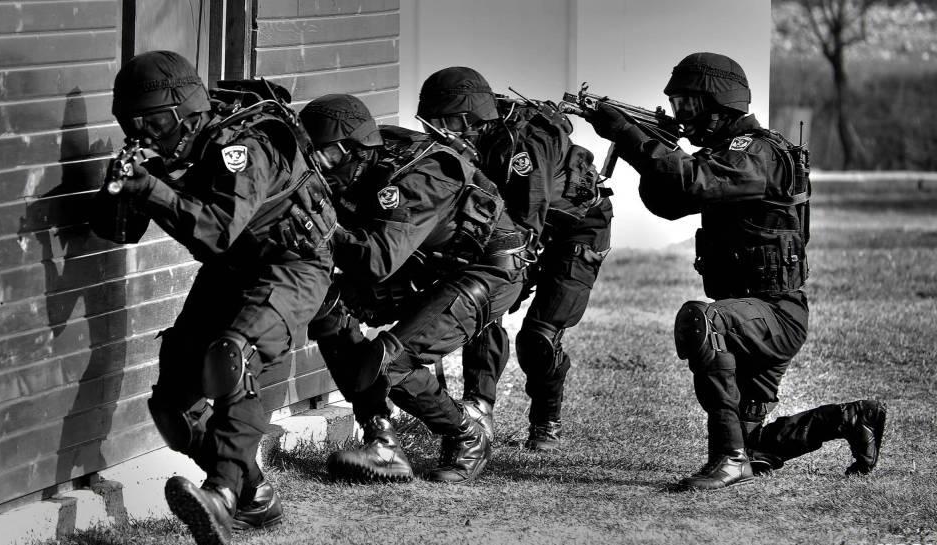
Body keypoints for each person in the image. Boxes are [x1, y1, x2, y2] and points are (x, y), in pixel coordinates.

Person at [580, 51, 886, 490]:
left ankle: (728, 459)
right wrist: (644, 142)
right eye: (677, 104)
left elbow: (690, 182)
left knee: (701, 320)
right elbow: (670, 201)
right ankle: (852, 419)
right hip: (749, 317)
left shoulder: (756, 152)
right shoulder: (727, 154)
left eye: (688, 104)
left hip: (773, 315)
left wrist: (629, 135)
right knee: (755, 444)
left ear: (719, 104)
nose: (681, 114)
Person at [90, 51, 335, 544]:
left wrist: (151, 188)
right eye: (132, 124)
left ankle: (221, 495)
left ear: (186, 112)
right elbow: (117, 232)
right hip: (233, 269)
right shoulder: (172, 149)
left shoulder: (243, 146)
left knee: (232, 358)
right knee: (174, 410)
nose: (146, 134)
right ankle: (253, 493)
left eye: (155, 123)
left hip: (292, 265)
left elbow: (217, 232)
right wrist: (122, 187)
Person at [299, 93, 530, 483]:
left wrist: (317, 225)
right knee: (328, 306)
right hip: (427, 265)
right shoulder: (368, 158)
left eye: (328, 156)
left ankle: (466, 435)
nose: (320, 166)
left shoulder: (421, 176)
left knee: (392, 361)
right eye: (313, 155)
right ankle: (381, 441)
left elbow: (375, 261)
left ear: (355, 149)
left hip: (488, 271)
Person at [416, 67, 613, 451]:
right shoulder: (469, 142)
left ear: (465, 118)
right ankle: (478, 408)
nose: (434, 132)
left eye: (441, 123)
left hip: (576, 229)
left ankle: (546, 420)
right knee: (482, 304)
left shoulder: (523, 145)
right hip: (518, 226)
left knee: (539, 336)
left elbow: (527, 216)